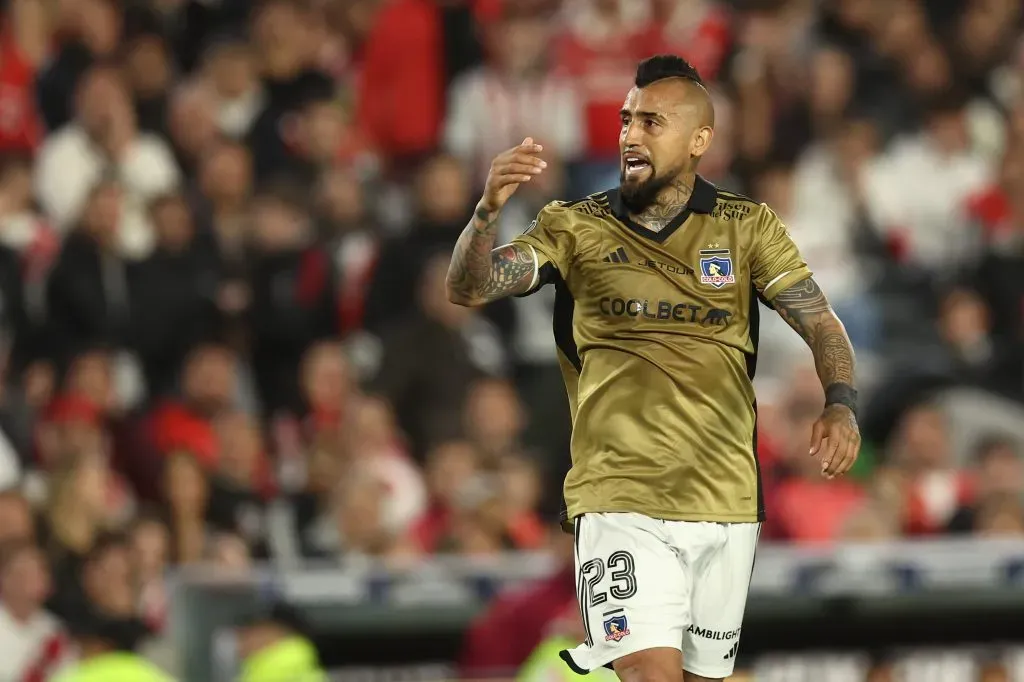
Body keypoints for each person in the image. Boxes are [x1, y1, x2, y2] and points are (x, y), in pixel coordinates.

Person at [445, 55, 861, 682]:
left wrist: (840, 401)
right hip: (619, 498)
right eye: (625, 120)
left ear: (700, 141)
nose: (631, 135)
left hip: (725, 500)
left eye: (652, 122)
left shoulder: (747, 228)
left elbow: (822, 322)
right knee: (646, 672)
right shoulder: (573, 227)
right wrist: (485, 212)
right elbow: (471, 287)